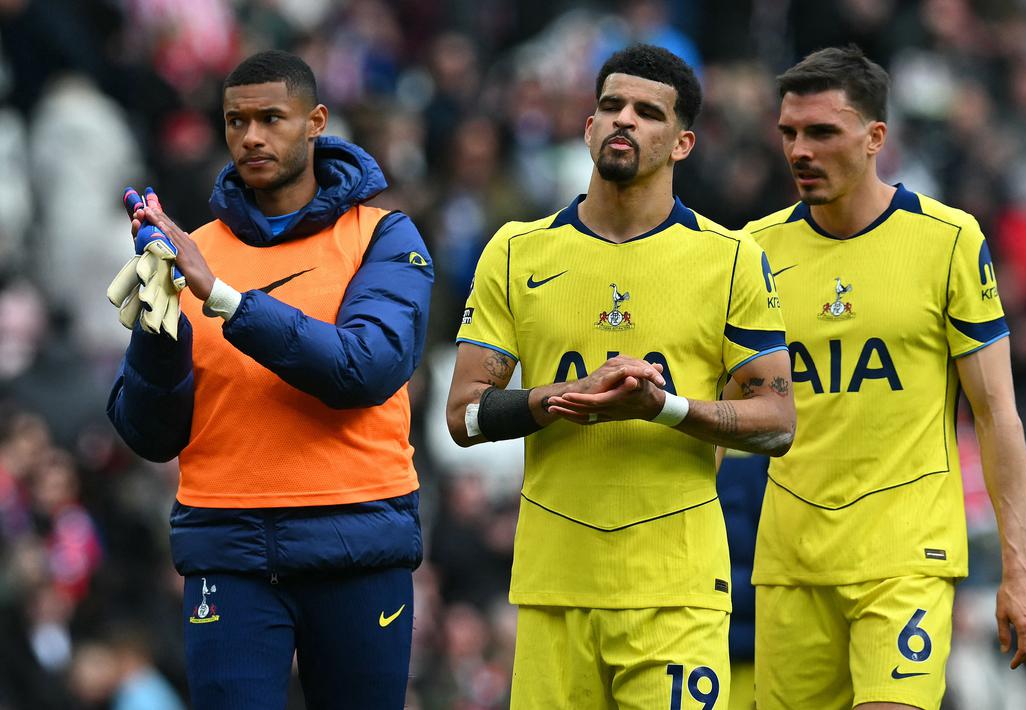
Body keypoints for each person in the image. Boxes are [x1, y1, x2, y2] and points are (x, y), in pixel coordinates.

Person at [445, 44, 794, 709]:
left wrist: (662, 409)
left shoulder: (732, 259)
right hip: (554, 587)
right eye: (610, 106)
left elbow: (777, 424)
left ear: (682, 142)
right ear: (586, 127)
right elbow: (462, 415)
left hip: (677, 589)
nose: (623, 121)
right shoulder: (517, 251)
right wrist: (555, 399)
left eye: (646, 111)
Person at [105, 50, 432, 709]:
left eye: (270, 118)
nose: (250, 136)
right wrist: (157, 334)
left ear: (315, 122)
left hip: (355, 543)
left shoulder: (383, 237)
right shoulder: (194, 250)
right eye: (234, 121)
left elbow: (362, 368)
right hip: (228, 552)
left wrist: (223, 298)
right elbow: (149, 433)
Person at [745, 45, 1026, 710]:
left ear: (873, 137)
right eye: (789, 133)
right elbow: (724, 415)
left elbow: (996, 412)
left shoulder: (946, 240)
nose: (800, 150)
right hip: (791, 562)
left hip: (905, 556)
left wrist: (1018, 570)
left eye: (821, 132)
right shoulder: (751, 252)